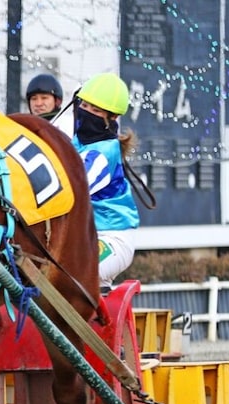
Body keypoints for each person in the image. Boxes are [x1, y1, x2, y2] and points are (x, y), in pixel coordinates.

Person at [71, 72, 139, 293]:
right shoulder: (76, 142)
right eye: (85, 105)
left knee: (74, 273)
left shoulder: (104, 153)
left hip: (112, 238)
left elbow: (72, 189)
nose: (87, 112)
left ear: (112, 119)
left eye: (96, 110)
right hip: (81, 236)